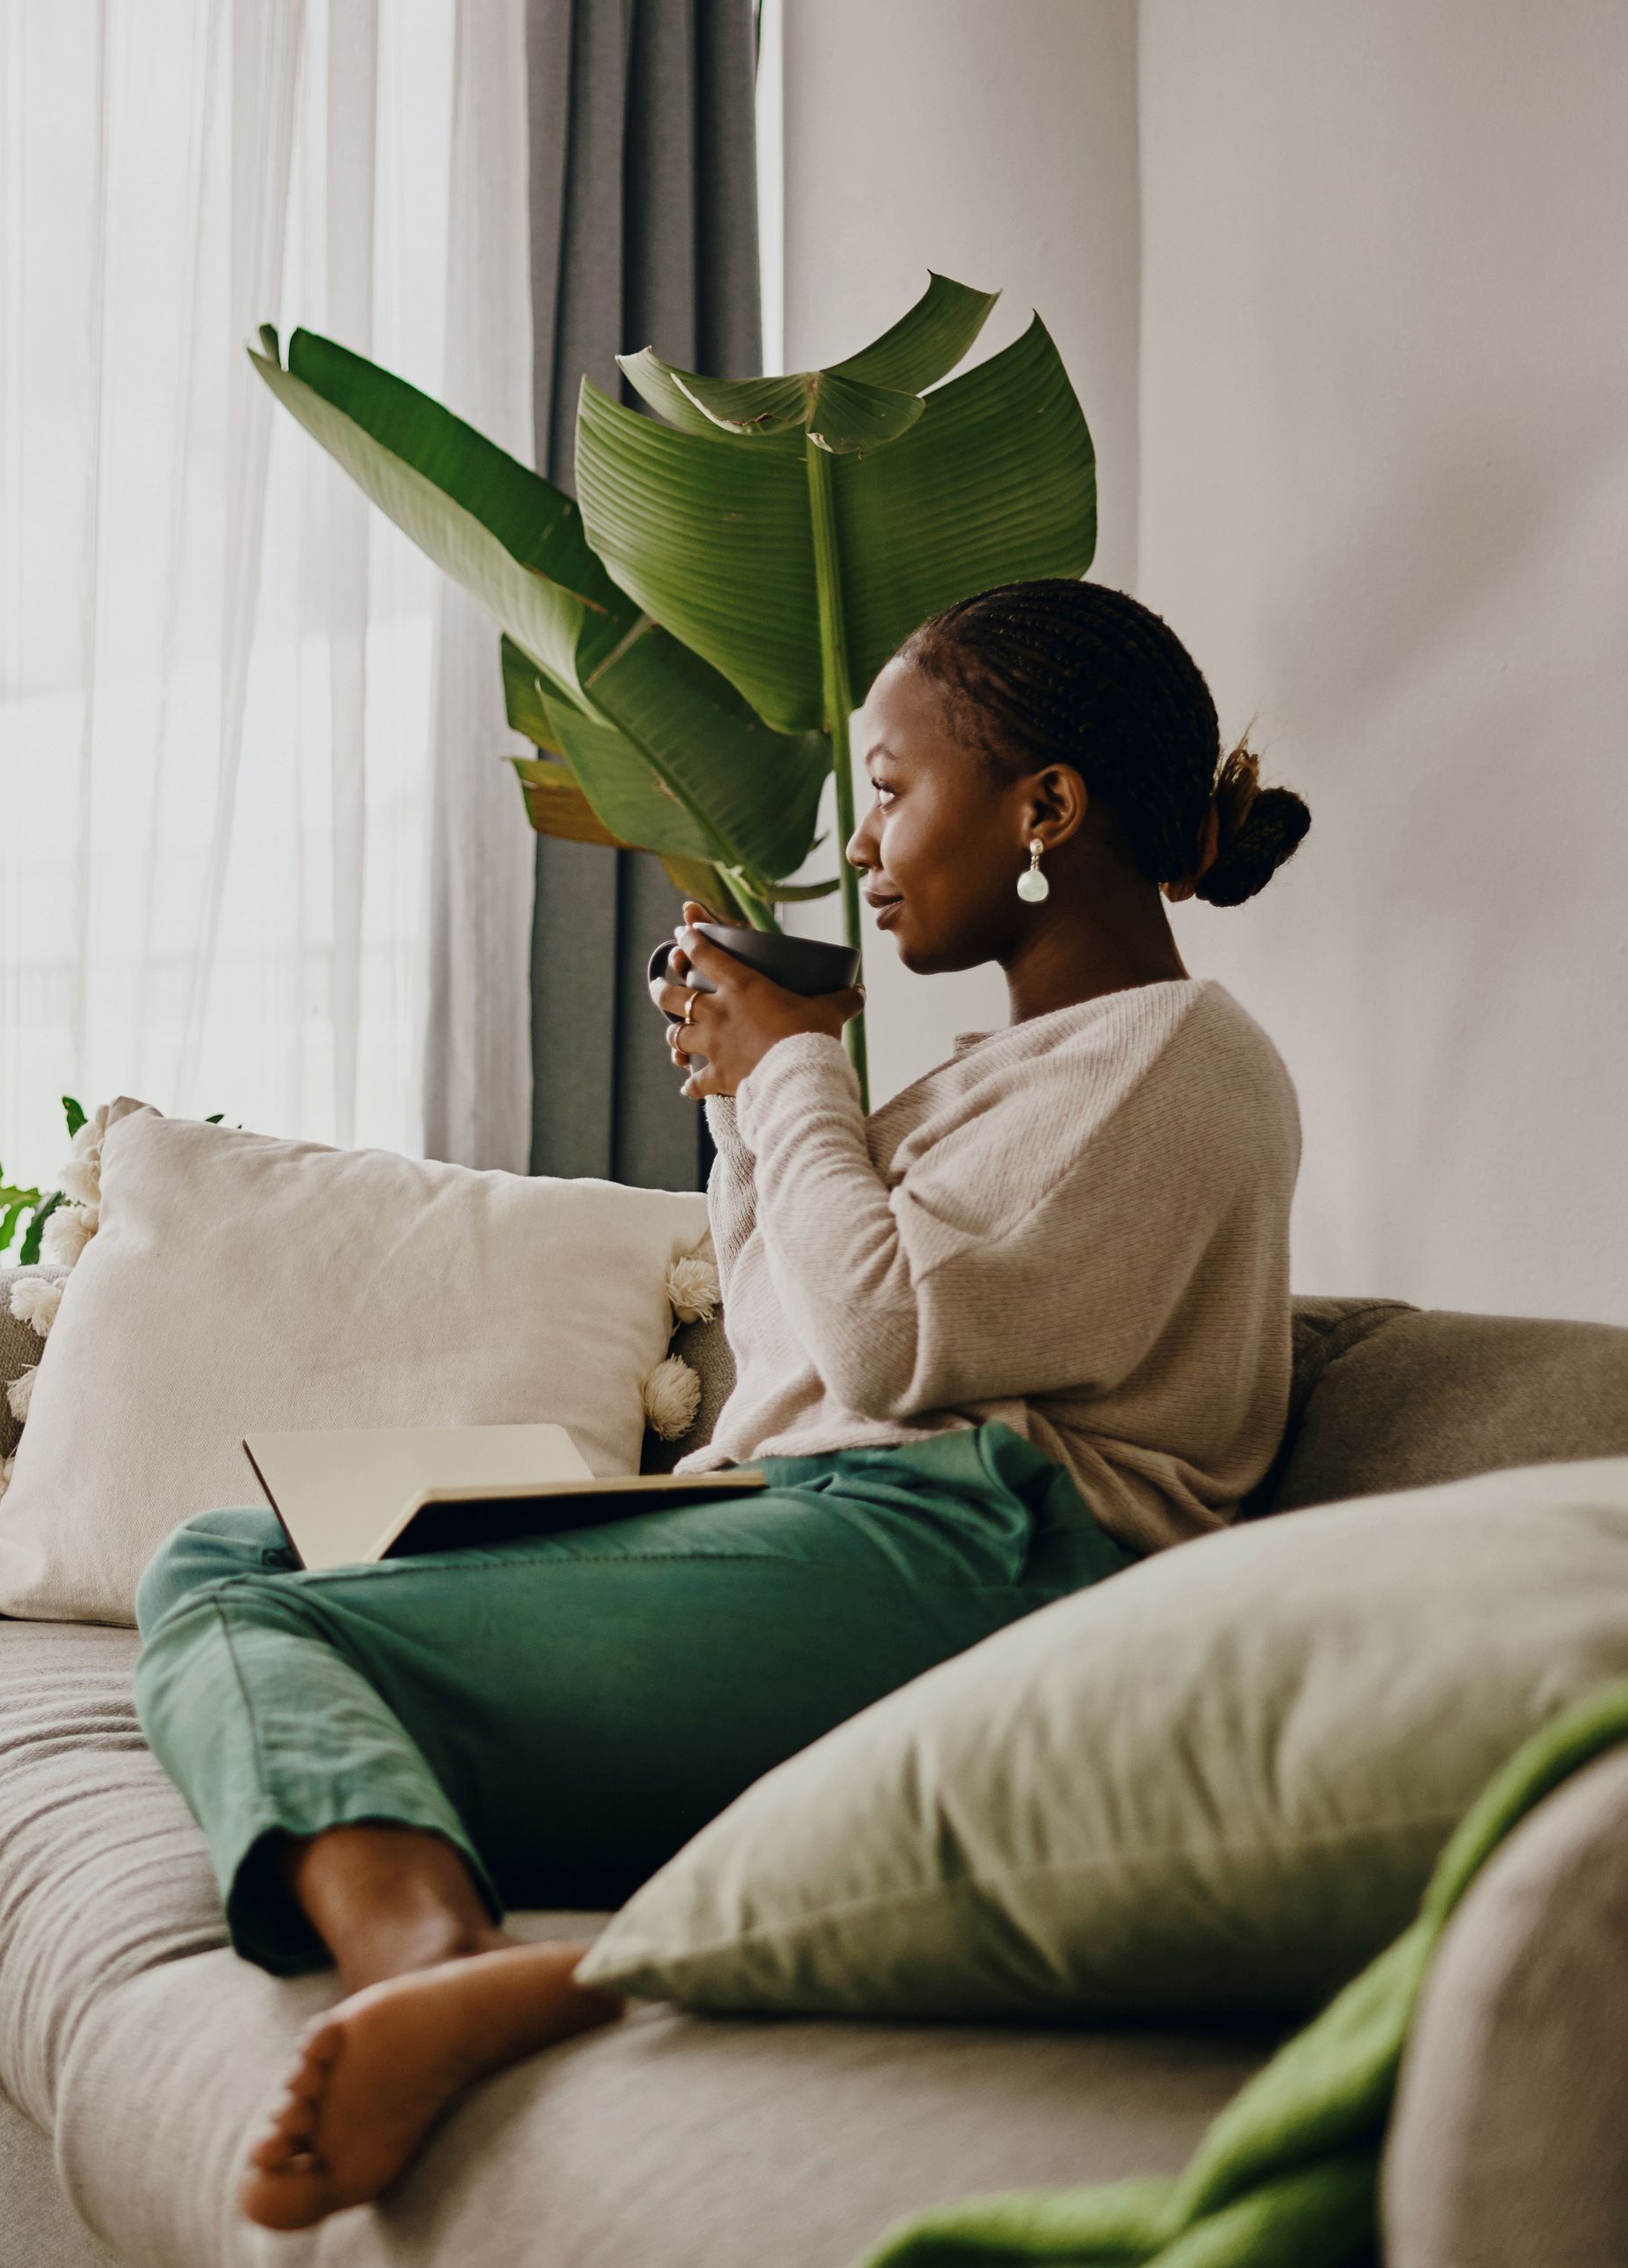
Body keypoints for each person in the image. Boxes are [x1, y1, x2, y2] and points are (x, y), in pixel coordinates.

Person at [130, 579, 1313, 2231]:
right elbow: (794, 1362)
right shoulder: (994, 1074)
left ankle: (430, 1966)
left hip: (990, 1554)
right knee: (221, 1557)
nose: (869, 841)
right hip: (835, 1521)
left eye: (892, 789)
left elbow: (895, 1351)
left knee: (292, 1631)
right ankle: (436, 1927)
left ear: (1044, 806)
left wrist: (795, 1075)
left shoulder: (1182, 1060)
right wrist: (753, 1116)